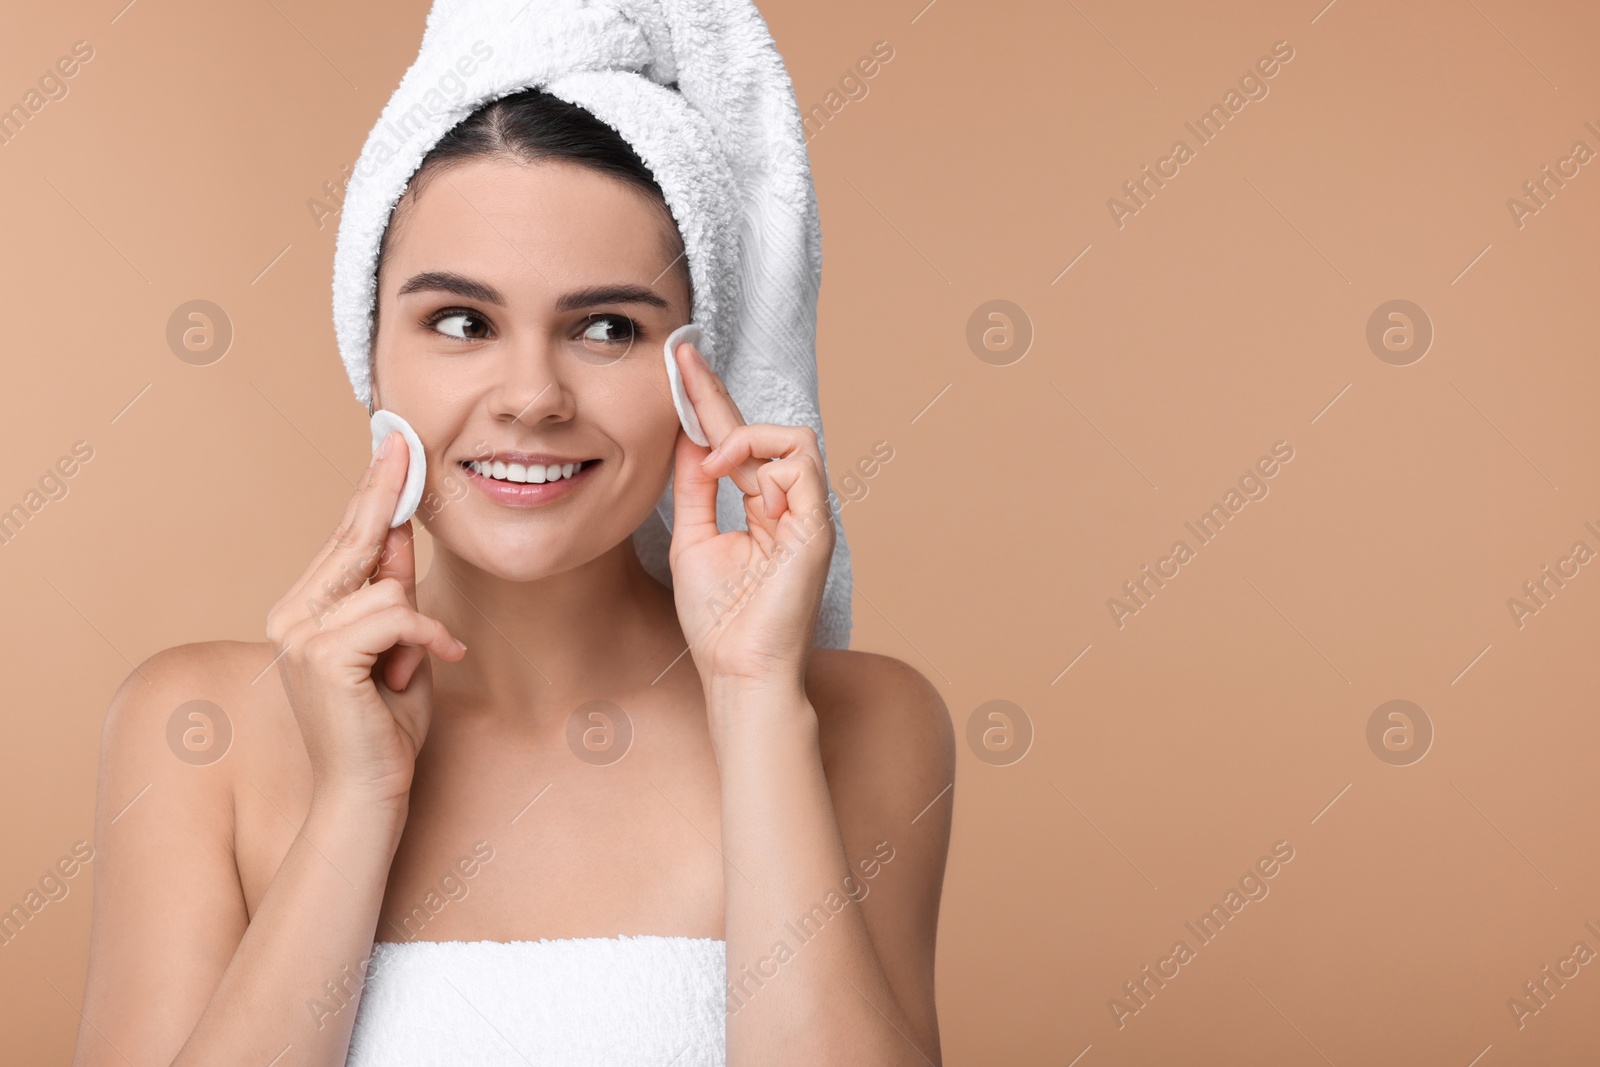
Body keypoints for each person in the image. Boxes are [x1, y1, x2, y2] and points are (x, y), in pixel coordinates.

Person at [73, 81, 954, 1066]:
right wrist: (355, 807)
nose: (532, 398)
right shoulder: (199, 733)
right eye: (461, 322)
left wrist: (753, 701)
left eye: (608, 327)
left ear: (698, 370)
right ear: (370, 353)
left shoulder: (865, 719)